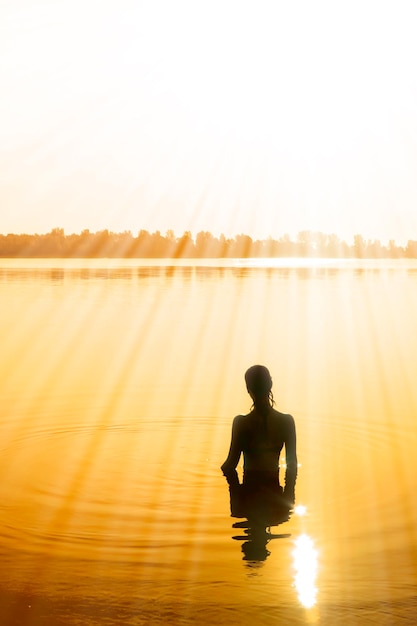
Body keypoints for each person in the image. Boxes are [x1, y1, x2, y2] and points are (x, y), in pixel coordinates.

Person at [221, 365, 297, 508]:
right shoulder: (287, 422)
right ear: (271, 384)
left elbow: (230, 465)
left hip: (250, 492)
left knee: (237, 512)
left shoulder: (241, 423)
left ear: (248, 389)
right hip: (275, 497)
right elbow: (292, 466)